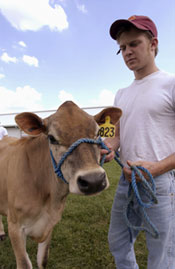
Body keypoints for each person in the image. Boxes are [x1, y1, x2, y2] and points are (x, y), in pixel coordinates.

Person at [102, 15, 175, 269]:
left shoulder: (171, 84)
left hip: (160, 182)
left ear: (153, 43)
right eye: (122, 48)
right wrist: (109, 147)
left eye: (134, 44)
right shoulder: (121, 94)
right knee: (118, 240)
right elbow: (116, 135)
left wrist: (155, 168)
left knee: (161, 252)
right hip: (127, 179)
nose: (127, 52)